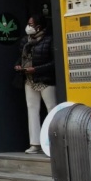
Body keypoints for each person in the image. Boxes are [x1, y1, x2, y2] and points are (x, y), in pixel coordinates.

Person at [15, 15, 55, 154]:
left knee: (52, 109)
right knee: (32, 109)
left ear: (39, 26)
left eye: (31, 24)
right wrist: (18, 66)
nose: (29, 27)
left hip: (46, 80)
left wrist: (37, 69)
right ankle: (35, 143)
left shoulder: (49, 40)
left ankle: (52, 142)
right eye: (28, 23)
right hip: (29, 79)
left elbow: (54, 62)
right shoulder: (25, 41)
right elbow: (20, 58)